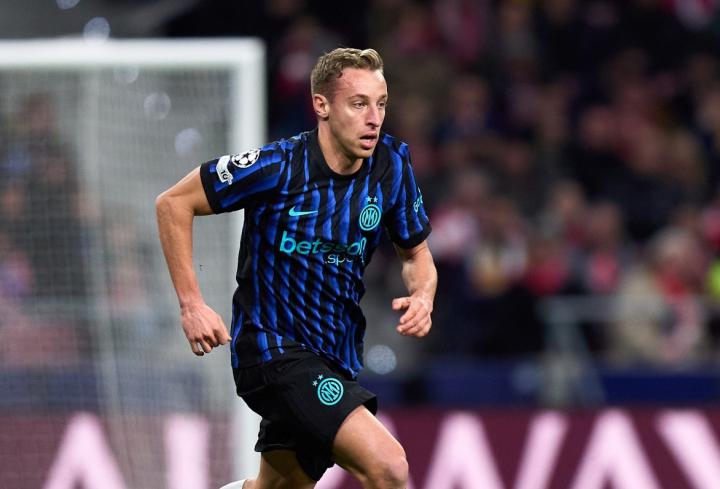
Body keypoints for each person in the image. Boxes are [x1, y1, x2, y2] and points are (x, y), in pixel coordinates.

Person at [156, 47, 437, 489]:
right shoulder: (279, 166)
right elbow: (173, 203)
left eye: (381, 104)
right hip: (271, 350)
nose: (374, 118)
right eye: (359, 104)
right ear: (321, 105)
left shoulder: (391, 165)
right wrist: (192, 304)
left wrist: (422, 294)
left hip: (334, 357)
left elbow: (416, 253)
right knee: (388, 466)